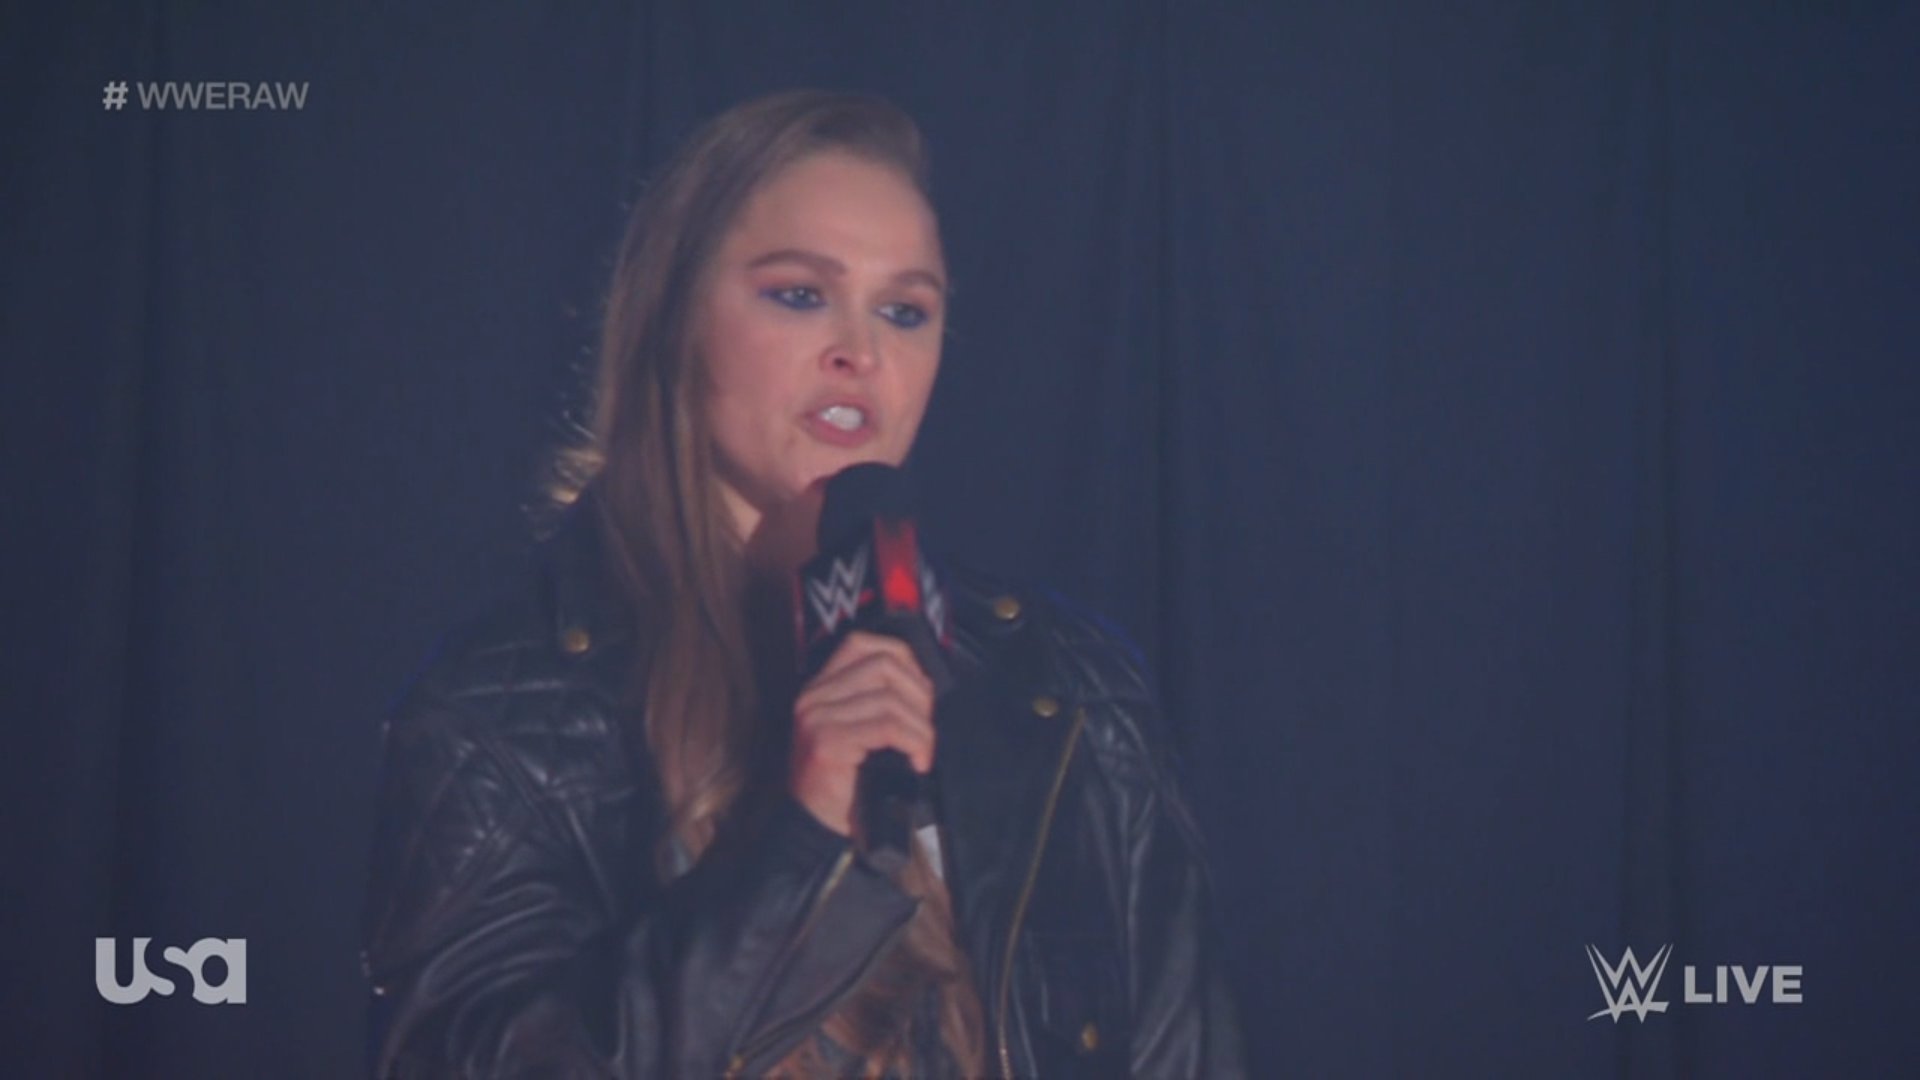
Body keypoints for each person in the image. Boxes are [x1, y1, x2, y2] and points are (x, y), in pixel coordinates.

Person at [360, 89, 1244, 1078]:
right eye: (798, 294)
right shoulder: (504, 723)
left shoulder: (1069, 694)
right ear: (673, 319)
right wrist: (805, 847)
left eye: (905, 312)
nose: (860, 353)